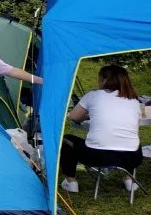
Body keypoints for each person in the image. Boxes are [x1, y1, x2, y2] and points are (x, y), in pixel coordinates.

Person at [60, 64, 143, 193]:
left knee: (67, 140)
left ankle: (71, 182)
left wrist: (89, 115)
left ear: (105, 80)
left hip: (97, 156)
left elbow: (74, 117)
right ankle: (129, 180)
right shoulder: (134, 100)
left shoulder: (93, 95)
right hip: (131, 157)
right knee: (131, 140)